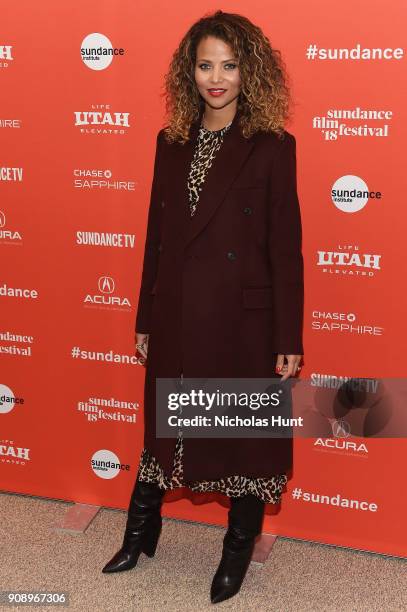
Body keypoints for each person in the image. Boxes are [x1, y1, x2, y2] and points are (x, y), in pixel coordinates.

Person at [102, 9, 304, 605]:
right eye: (205, 64)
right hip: (177, 312)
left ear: (251, 72)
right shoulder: (169, 142)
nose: (216, 77)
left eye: (230, 65)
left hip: (244, 319)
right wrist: (145, 315)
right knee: (166, 430)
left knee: (242, 433)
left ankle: (236, 549)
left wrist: (287, 336)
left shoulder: (272, 146)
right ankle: (140, 532)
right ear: (188, 71)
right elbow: (156, 238)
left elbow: (286, 249)